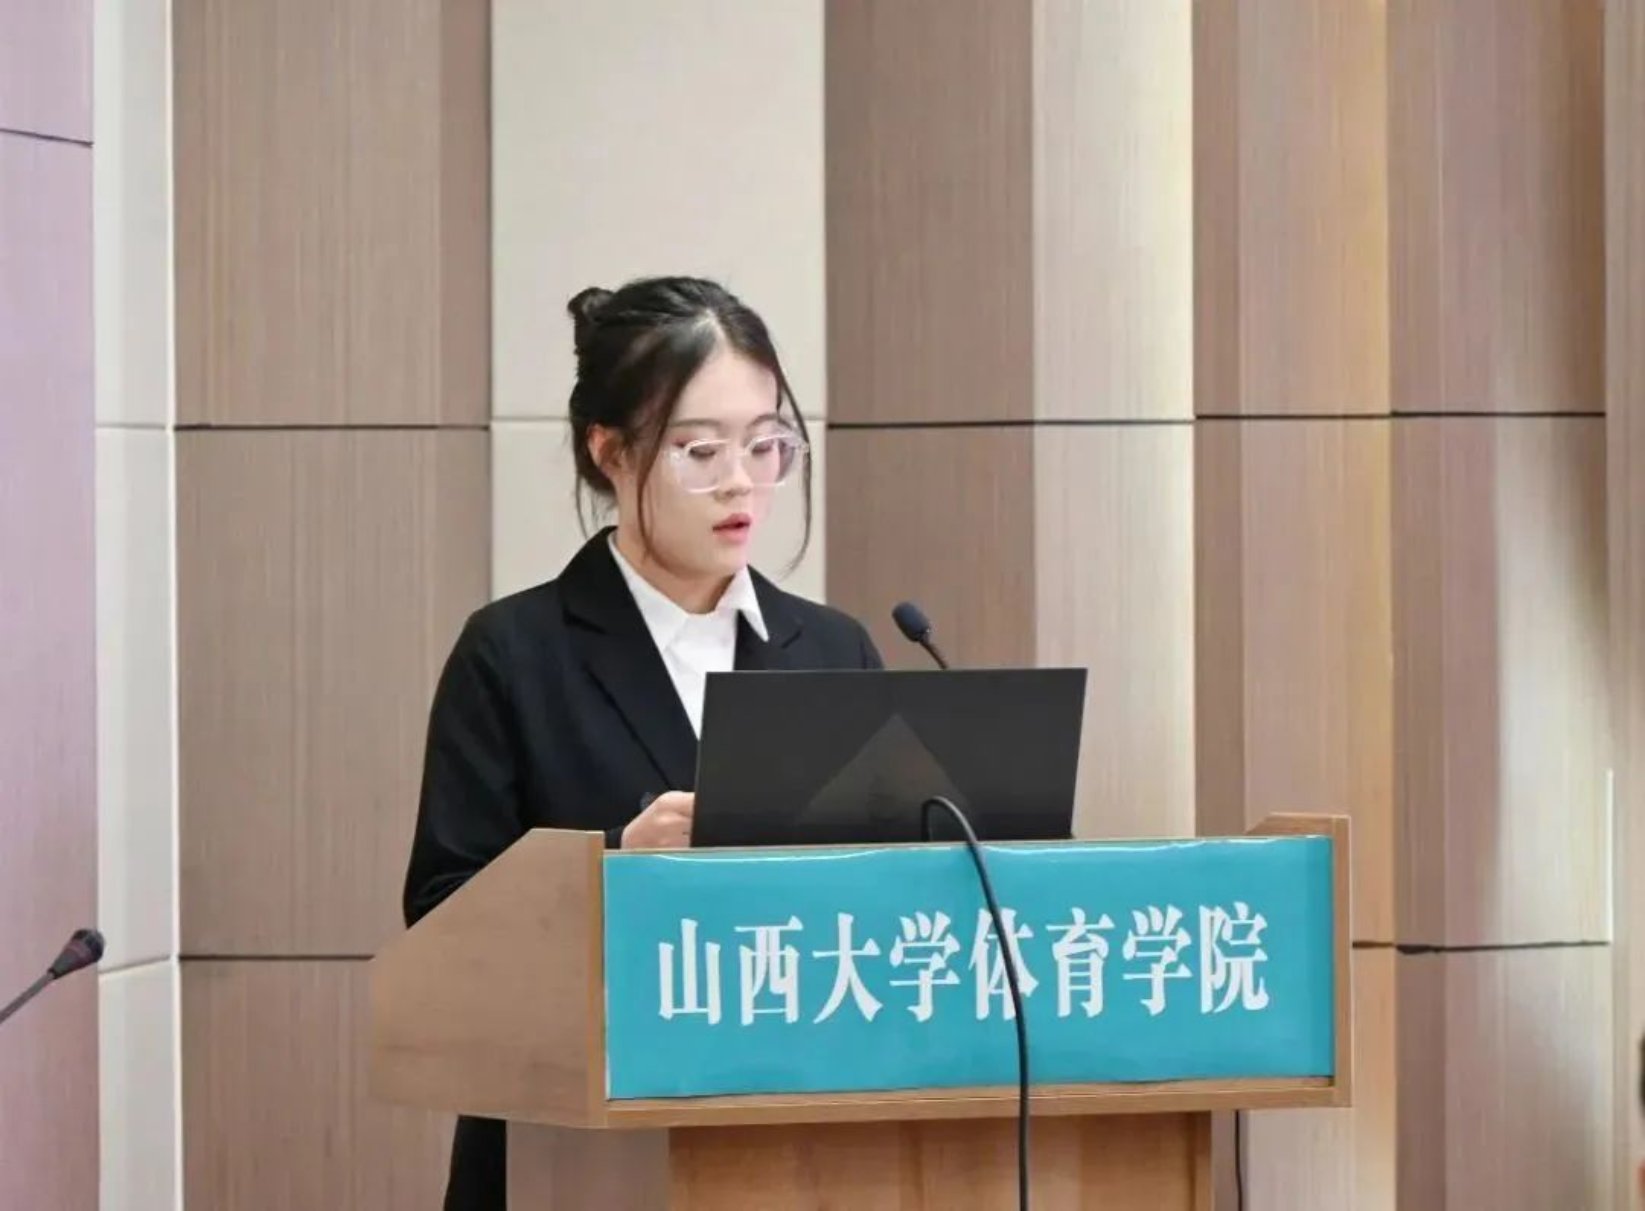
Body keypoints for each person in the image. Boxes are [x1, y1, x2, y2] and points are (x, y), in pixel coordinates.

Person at [401, 275, 884, 1210]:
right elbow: (440, 917)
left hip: (796, 1138)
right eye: (700, 451)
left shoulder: (833, 650)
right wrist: (615, 861)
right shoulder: (514, 653)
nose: (740, 480)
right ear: (610, 452)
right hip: (570, 1149)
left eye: (765, 444)